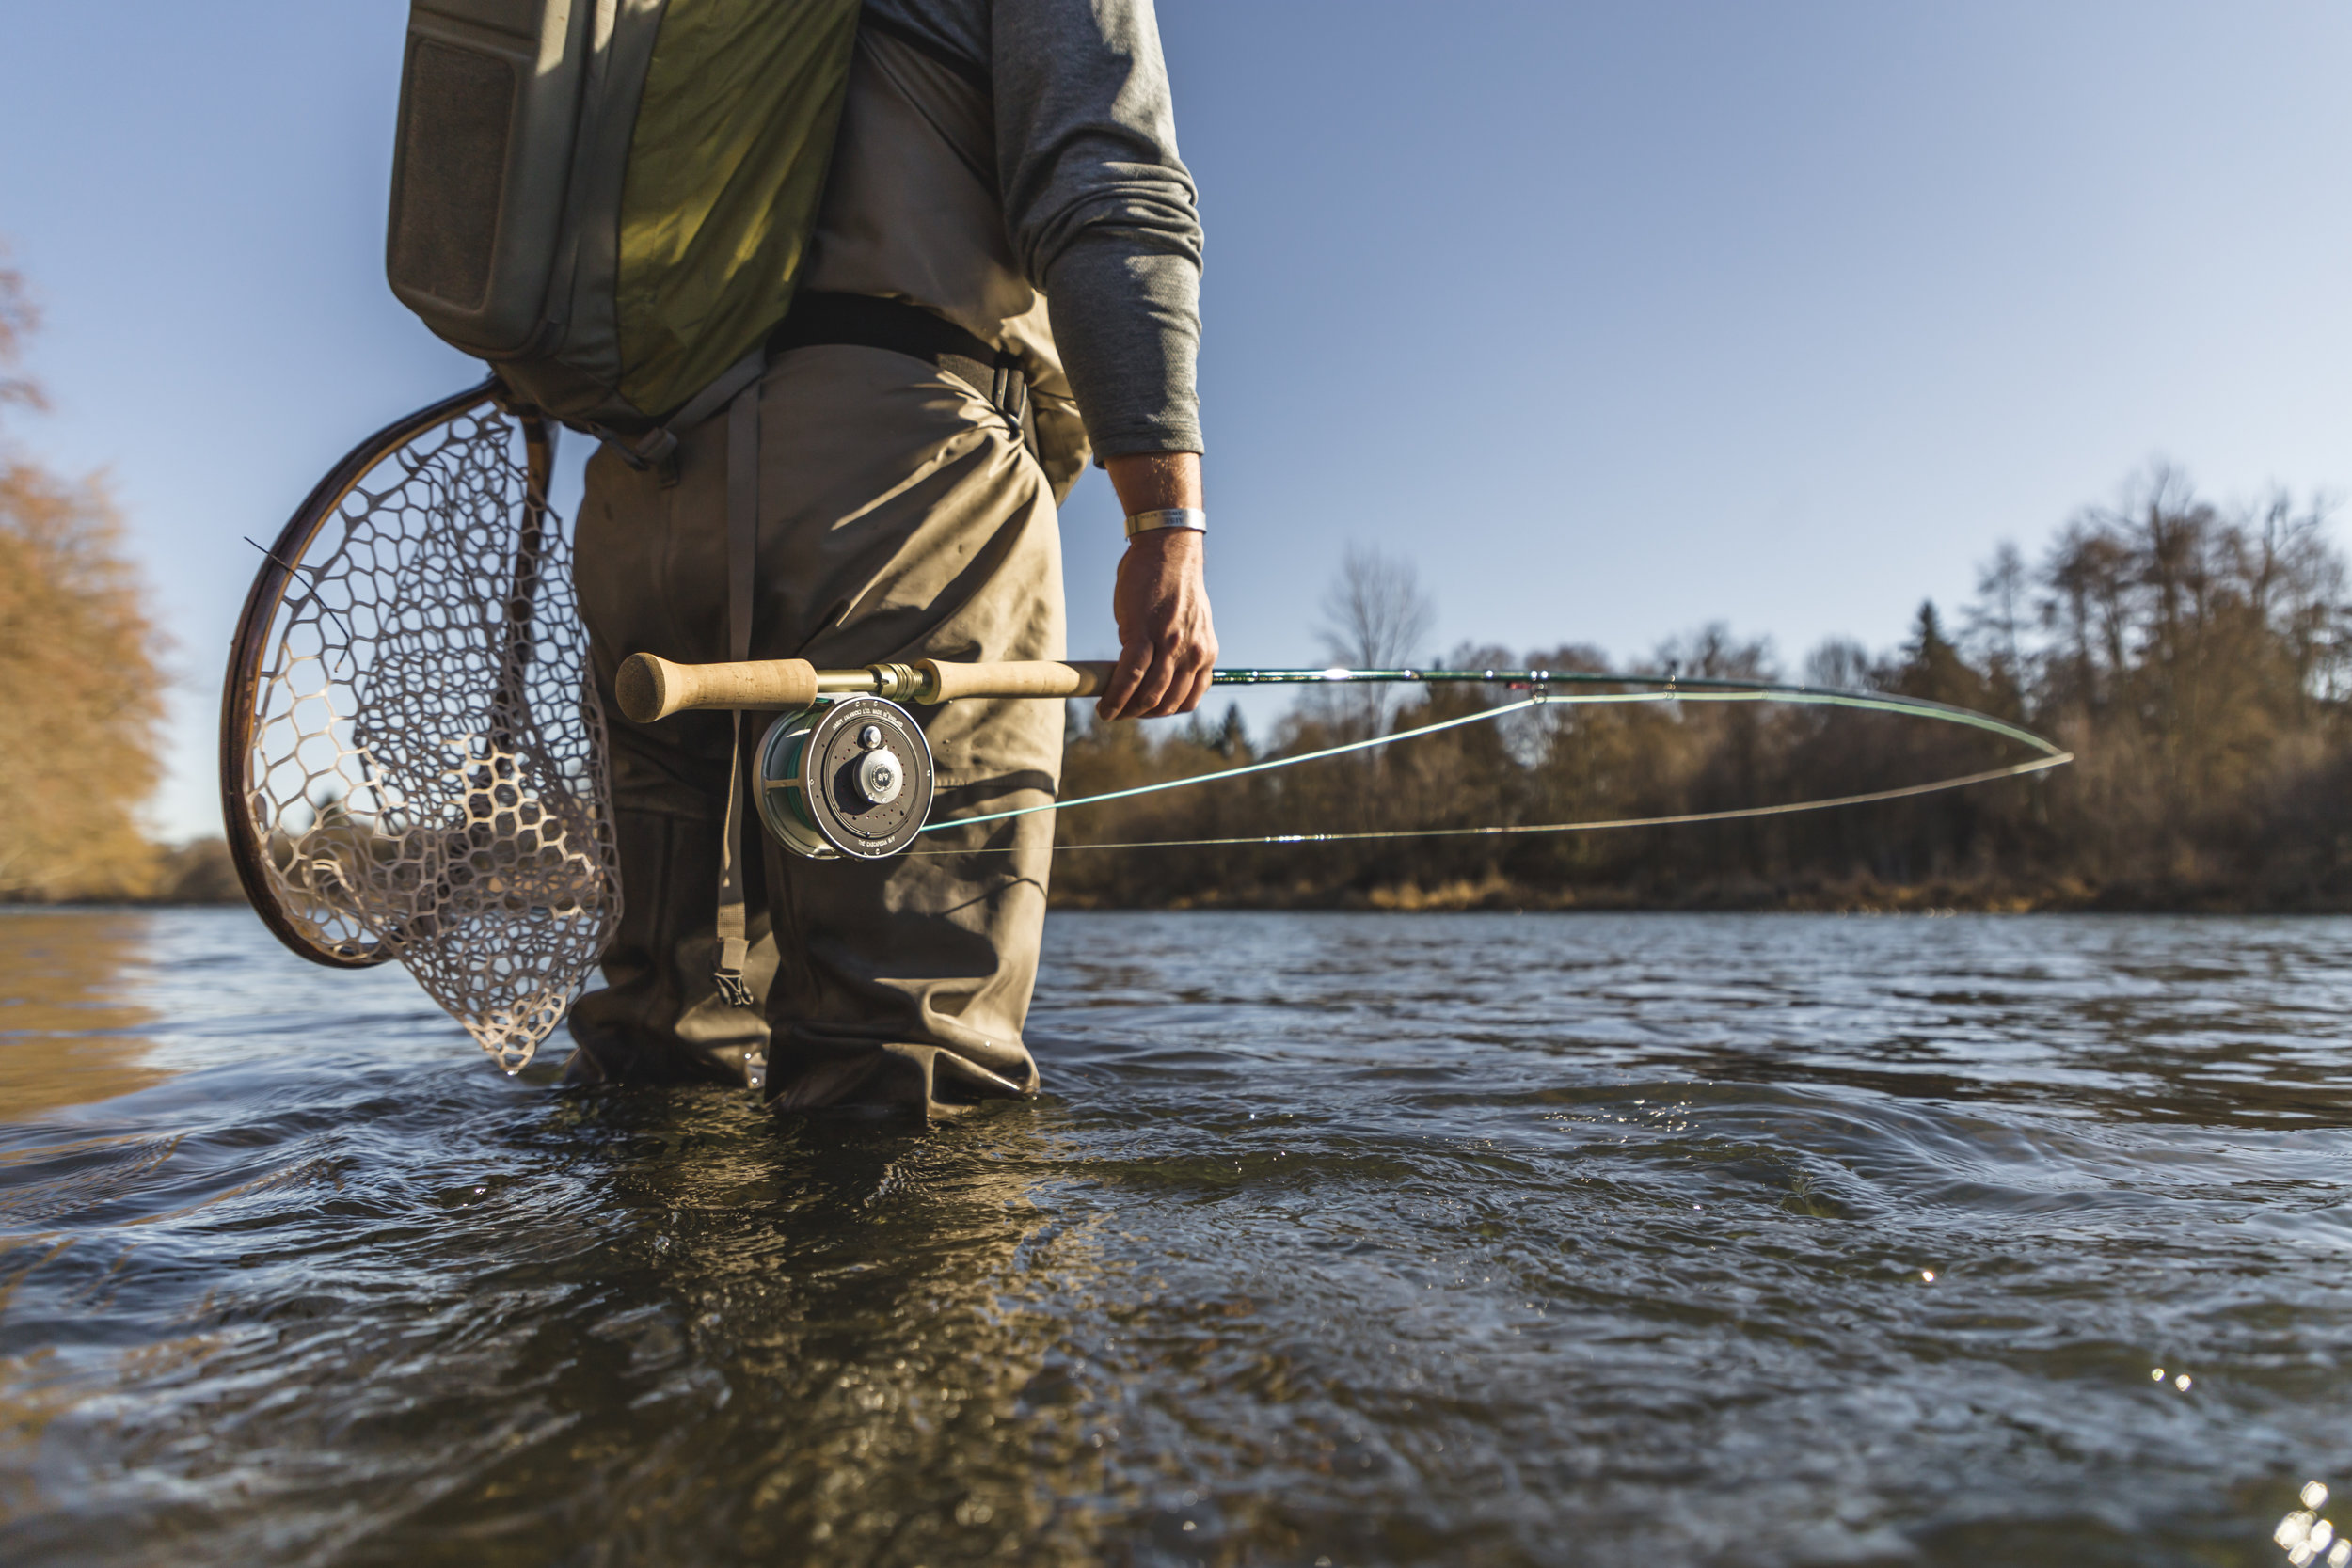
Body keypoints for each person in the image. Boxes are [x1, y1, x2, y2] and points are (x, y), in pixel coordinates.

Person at [563, 0, 1214, 1117]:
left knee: (660, 1048)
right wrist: (1164, 518)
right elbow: (1106, 180)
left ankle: (621, 1293)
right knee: (907, 1063)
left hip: (642, 500)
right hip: (896, 493)